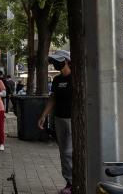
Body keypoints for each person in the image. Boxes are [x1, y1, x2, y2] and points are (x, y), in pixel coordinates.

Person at [39, 50, 73, 194]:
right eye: (53, 61)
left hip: (73, 120)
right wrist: (43, 115)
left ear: (66, 60)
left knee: (69, 151)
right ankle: (69, 182)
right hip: (59, 118)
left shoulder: (76, 78)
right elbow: (53, 98)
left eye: (58, 61)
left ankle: (75, 182)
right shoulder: (57, 80)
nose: (55, 64)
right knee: (63, 152)